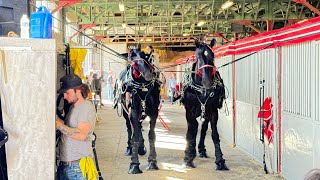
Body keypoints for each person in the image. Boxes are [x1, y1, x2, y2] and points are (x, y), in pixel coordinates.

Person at [56, 74, 97, 180]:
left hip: (77, 168)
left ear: (78, 90)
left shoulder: (85, 108)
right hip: (67, 165)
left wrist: (59, 125)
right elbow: (68, 127)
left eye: (67, 93)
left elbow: (81, 135)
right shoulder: (74, 108)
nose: (64, 96)